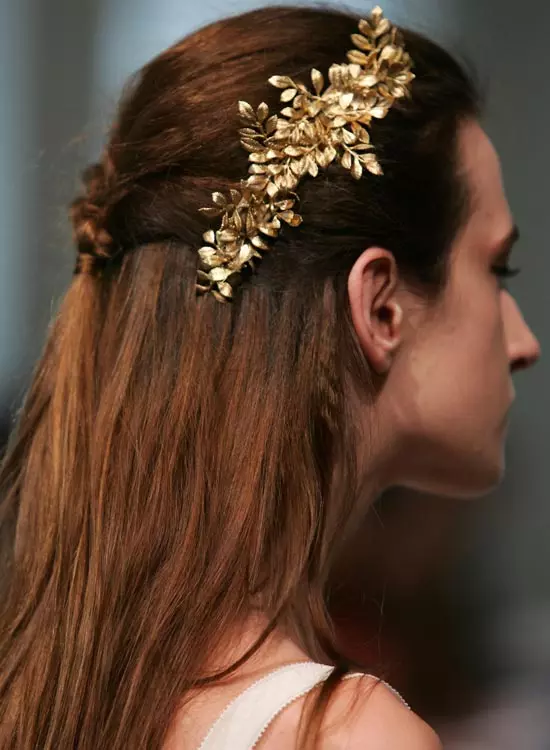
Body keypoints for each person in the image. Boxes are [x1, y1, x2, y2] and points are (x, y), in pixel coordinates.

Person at [0, 4, 540, 749]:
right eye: (495, 268)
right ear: (380, 306)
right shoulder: (347, 737)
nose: (524, 341)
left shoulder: (48, 686)